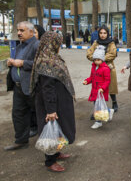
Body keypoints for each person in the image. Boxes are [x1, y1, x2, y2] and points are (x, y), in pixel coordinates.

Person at [29, 31, 75, 172]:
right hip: (51, 103)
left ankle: (56, 152)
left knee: (58, 129)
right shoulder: (45, 62)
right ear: (53, 44)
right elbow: (47, 88)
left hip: (58, 102)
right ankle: (50, 161)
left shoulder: (51, 57)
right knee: (50, 131)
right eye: (58, 43)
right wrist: (51, 110)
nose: (60, 46)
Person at [4, 21, 39, 151]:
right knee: (18, 114)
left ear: (31, 32)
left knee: (40, 113)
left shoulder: (37, 45)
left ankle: (49, 141)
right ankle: (21, 140)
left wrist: (23, 63)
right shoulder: (19, 46)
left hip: (31, 87)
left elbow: (40, 64)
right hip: (18, 87)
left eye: (22, 30)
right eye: (18, 30)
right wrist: (11, 63)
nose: (19, 33)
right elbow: (17, 63)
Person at [87, 25, 119, 112]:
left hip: (109, 67)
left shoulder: (111, 43)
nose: (102, 35)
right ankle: (98, 109)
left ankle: (114, 102)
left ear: (107, 34)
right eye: (101, 33)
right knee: (98, 87)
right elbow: (89, 53)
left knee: (111, 87)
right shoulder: (96, 42)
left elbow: (112, 54)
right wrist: (95, 59)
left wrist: (99, 58)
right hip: (97, 69)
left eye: (104, 33)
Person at [83, 45, 114, 129]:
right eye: (95, 60)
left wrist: (102, 88)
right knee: (97, 105)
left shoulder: (105, 68)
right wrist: (87, 81)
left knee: (98, 106)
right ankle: (108, 111)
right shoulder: (93, 67)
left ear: (102, 59)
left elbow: (107, 80)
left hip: (101, 91)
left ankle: (98, 121)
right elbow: (91, 77)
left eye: (98, 60)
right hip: (94, 90)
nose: (96, 61)